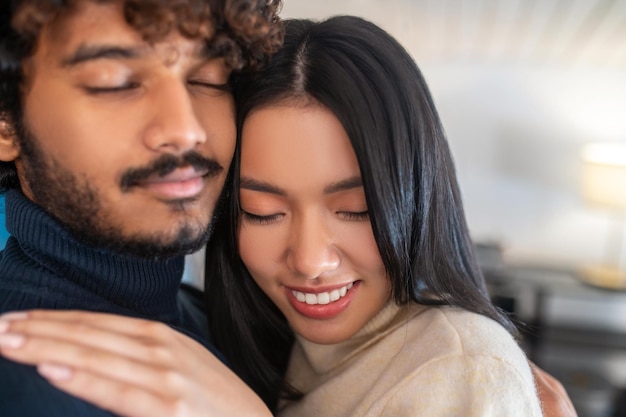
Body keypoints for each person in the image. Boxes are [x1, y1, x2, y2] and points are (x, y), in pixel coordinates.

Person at [0, 15, 578, 416]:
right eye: (263, 211)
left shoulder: (210, 326)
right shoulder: (247, 333)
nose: (183, 127)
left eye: (205, 79)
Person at [0, 0, 282, 416]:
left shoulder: (224, 320)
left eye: (208, 79)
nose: (186, 130)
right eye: (115, 82)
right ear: (6, 124)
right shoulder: (24, 383)